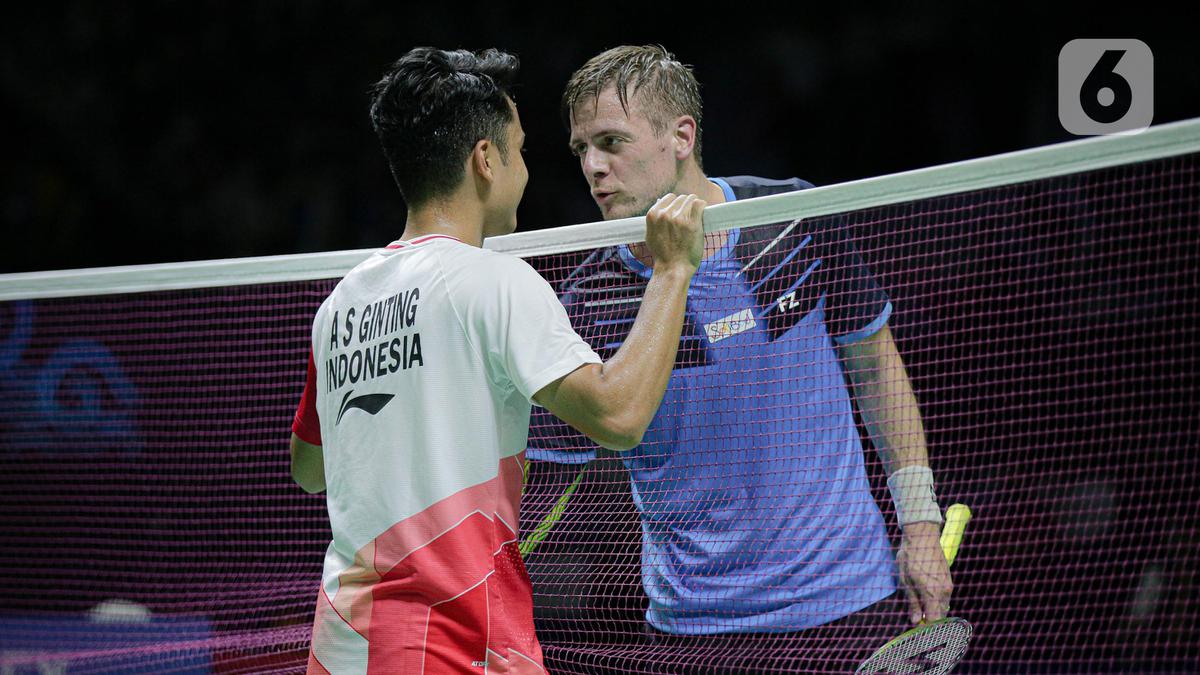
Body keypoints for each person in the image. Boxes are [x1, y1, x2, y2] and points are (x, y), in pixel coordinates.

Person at [522, 45, 952, 672]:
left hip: (848, 607)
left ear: (681, 137)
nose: (593, 167)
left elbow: (875, 366)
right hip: (693, 631)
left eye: (611, 142)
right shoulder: (588, 298)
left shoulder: (788, 219)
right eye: (580, 150)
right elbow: (546, 484)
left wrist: (919, 524)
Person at [288, 46, 707, 674]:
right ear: (486, 161)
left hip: (345, 638)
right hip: (454, 640)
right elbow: (619, 417)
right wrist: (674, 269)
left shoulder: (340, 306)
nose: (527, 173)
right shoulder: (495, 281)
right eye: (520, 151)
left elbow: (310, 468)